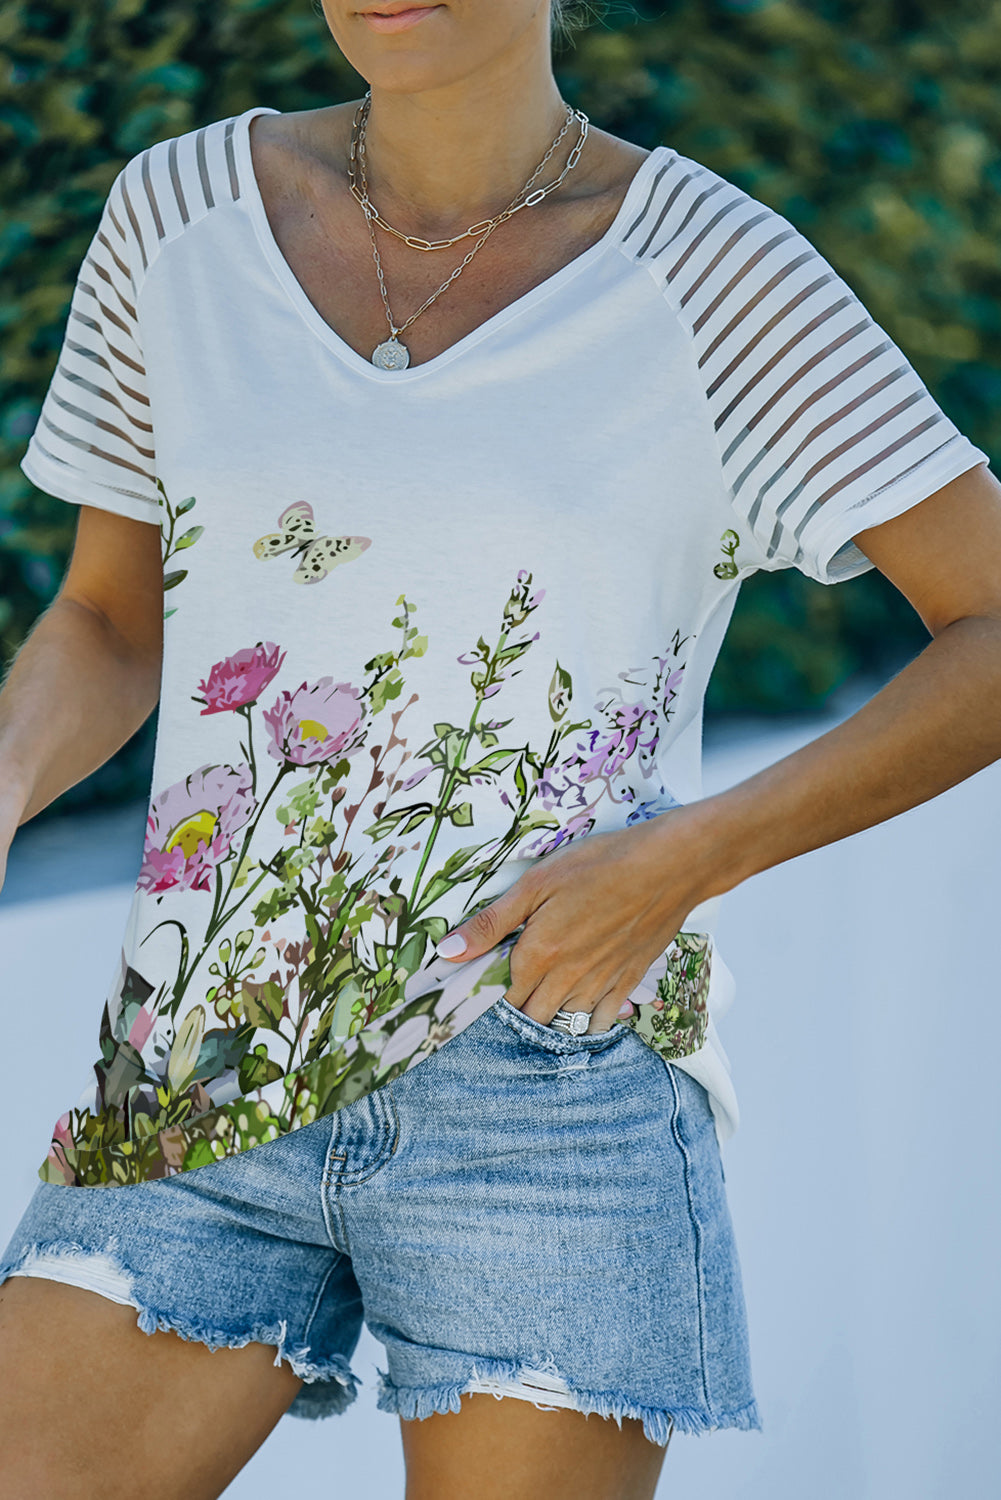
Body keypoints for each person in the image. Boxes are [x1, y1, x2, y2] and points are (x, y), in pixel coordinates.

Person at [0, 0, 999, 1495]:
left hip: (551, 1087)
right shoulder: (175, 216)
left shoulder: (713, 274)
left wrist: (679, 861)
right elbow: (111, 618)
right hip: (197, 1069)